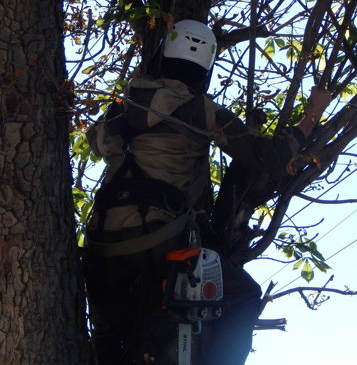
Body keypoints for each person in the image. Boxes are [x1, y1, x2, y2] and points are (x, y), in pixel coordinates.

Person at [83, 20, 331, 365]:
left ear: (162, 55)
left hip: (102, 243)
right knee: (245, 296)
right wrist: (312, 115)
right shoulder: (203, 110)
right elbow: (269, 158)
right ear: (205, 69)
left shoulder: (119, 108)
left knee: (109, 342)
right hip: (162, 239)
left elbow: (94, 142)